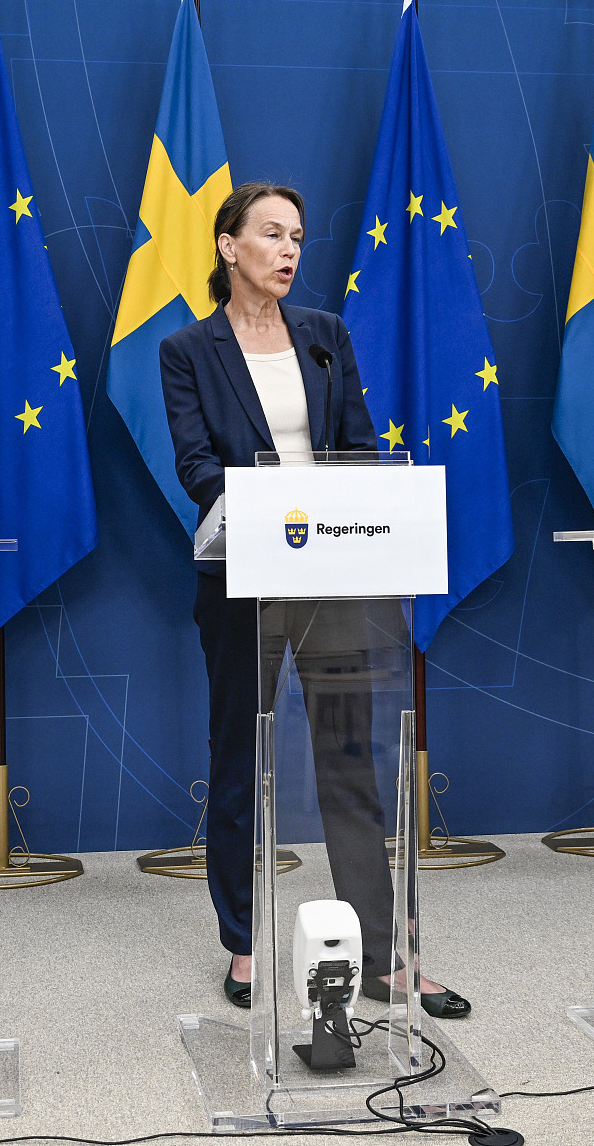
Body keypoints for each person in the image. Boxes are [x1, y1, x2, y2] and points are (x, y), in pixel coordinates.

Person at [160, 182, 470, 1018]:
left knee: (351, 765)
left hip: (337, 579)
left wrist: (335, 501)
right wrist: (276, 501)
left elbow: (362, 448)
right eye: (271, 234)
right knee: (240, 760)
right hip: (244, 583)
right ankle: (245, 942)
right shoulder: (188, 349)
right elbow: (195, 469)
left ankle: (386, 955)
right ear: (229, 246)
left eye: (298, 234)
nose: (290, 249)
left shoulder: (327, 336)